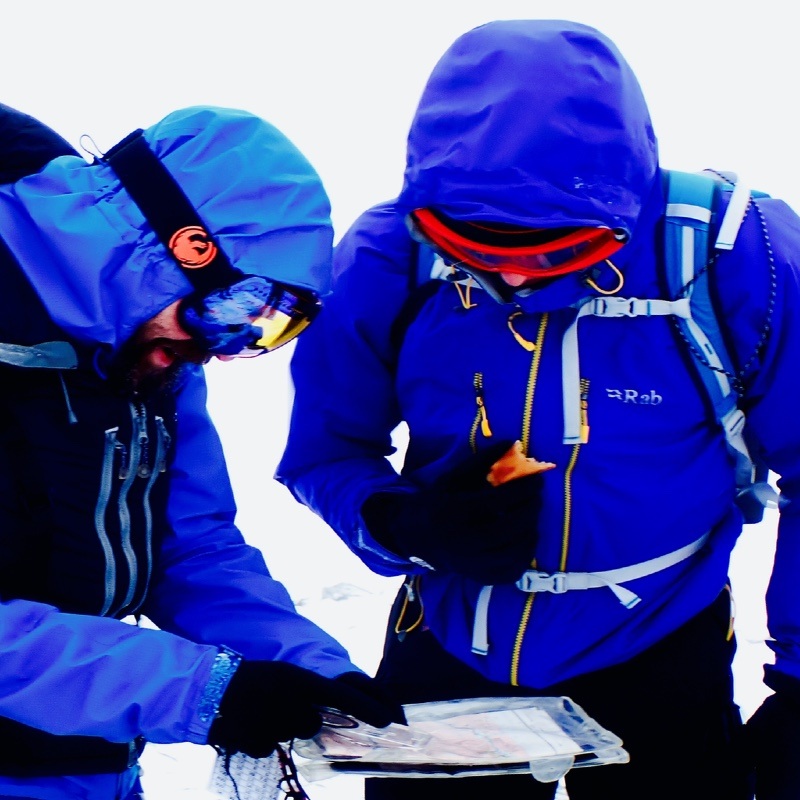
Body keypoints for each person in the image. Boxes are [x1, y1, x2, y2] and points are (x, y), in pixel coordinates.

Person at [277, 19, 800, 800]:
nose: (520, 280)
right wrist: (398, 521)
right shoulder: (390, 258)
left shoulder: (738, 256)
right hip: (453, 644)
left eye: (559, 249)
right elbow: (324, 450)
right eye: (480, 247)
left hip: (661, 641)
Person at [0, 103, 404, 800]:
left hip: (81, 766)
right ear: (174, 243)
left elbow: (188, 546)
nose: (222, 347)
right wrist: (201, 691)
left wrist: (307, 666)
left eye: (265, 327)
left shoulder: (145, 353)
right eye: (236, 306)